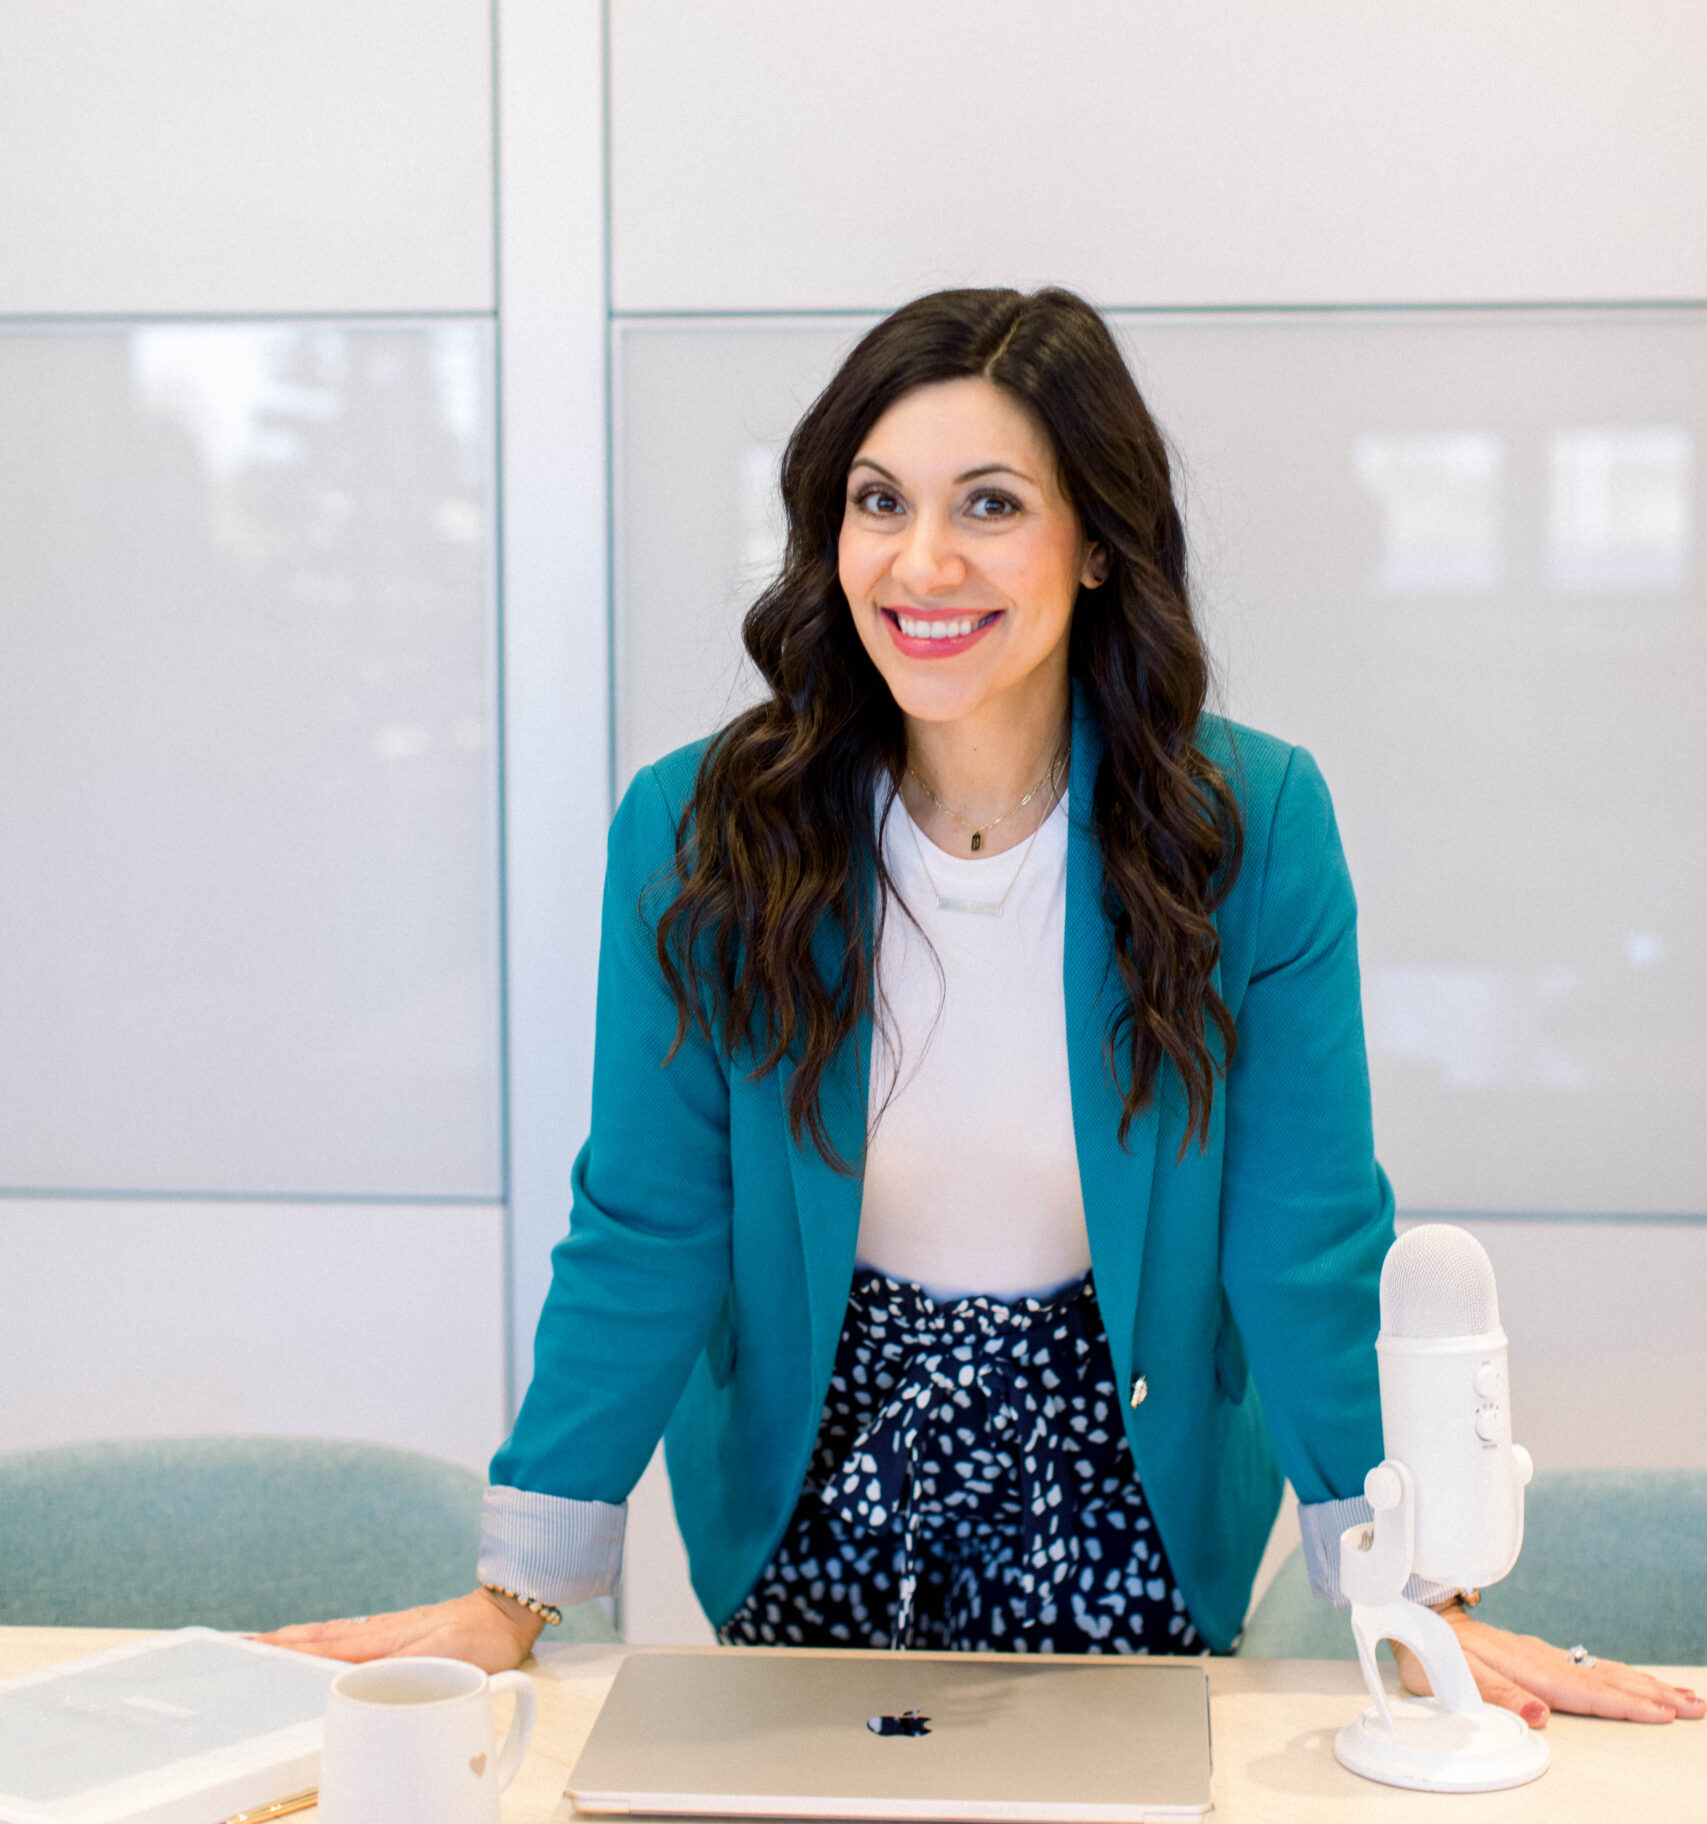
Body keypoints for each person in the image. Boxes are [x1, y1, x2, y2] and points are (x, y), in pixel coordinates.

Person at [269, 287, 1701, 1729]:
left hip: (1126, 1480)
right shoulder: (700, 831)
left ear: (1094, 545)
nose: (924, 559)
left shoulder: (1250, 828)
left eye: (994, 504)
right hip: (810, 1478)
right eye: (878, 500)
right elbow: (649, 1228)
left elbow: (1306, 1244)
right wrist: (514, 1594)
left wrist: (1417, 1595)